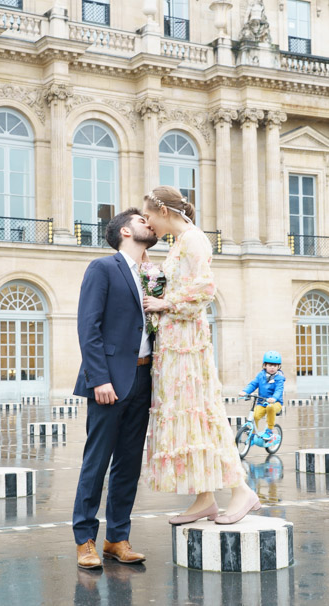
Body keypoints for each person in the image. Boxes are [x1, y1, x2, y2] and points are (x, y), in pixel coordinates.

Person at [142, 185, 260, 525]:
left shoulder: (194, 239)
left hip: (188, 343)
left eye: (149, 216)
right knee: (188, 414)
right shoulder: (179, 243)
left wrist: (167, 303)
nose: (148, 224)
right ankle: (204, 497)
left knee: (203, 412)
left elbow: (205, 288)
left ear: (164, 211)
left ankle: (241, 490)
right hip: (175, 342)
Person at [73, 208, 158, 569]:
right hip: (109, 380)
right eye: (142, 221)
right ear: (125, 231)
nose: (149, 224)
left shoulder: (152, 274)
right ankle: (85, 540)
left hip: (143, 378)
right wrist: (99, 378)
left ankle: (117, 538)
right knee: (97, 461)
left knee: (129, 464)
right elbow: (88, 327)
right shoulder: (103, 268)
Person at [239, 350, 285, 441]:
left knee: (270, 408)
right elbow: (253, 384)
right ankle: (252, 435)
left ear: (279, 366)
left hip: (276, 403)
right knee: (254, 415)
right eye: (270, 365)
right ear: (264, 365)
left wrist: (274, 398)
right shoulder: (261, 375)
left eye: (275, 366)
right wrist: (245, 392)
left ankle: (269, 430)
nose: (272, 368)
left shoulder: (279, 378)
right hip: (262, 402)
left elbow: (279, 390)